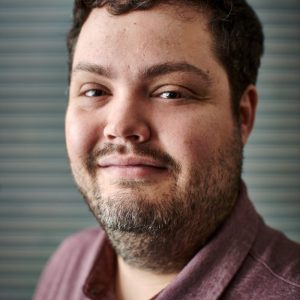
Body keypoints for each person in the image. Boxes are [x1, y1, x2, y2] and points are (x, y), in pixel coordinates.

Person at [34, 0, 300, 299]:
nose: (120, 127)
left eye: (171, 93)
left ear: (243, 117)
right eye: (94, 91)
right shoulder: (68, 263)